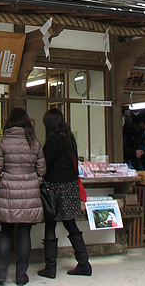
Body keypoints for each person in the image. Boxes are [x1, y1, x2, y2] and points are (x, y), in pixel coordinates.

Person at [0, 107, 46, 286]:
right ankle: (21, 274)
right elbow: (42, 170)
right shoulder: (34, 142)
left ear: (10, 122)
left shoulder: (3, 142)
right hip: (30, 191)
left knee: (6, 231)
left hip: (9, 191)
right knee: (24, 232)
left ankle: (1, 271)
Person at [37, 108, 92, 279]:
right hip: (70, 186)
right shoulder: (69, 138)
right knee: (70, 223)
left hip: (54, 187)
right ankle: (84, 263)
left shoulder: (53, 140)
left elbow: (45, 164)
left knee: (50, 224)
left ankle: (50, 267)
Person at [123, 109, 145, 234]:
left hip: (139, 166)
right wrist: (134, 153)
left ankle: (142, 223)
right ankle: (132, 224)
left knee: (143, 194)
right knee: (132, 193)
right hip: (129, 166)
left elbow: (143, 149)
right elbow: (119, 148)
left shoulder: (143, 133)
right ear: (143, 121)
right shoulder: (127, 130)